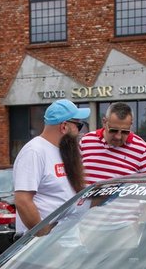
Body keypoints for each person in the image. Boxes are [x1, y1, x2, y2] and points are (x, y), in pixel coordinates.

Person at [13, 99, 89, 235]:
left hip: (65, 241)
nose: (80, 132)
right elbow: (23, 201)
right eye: (79, 125)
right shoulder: (34, 152)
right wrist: (44, 234)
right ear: (64, 126)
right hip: (47, 247)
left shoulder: (62, 151)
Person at [79, 102, 146, 184]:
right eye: (114, 130)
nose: (118, 137)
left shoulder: (142, 149)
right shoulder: (86, 141)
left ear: (131, 125)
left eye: (124, 132)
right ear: (104, 122)